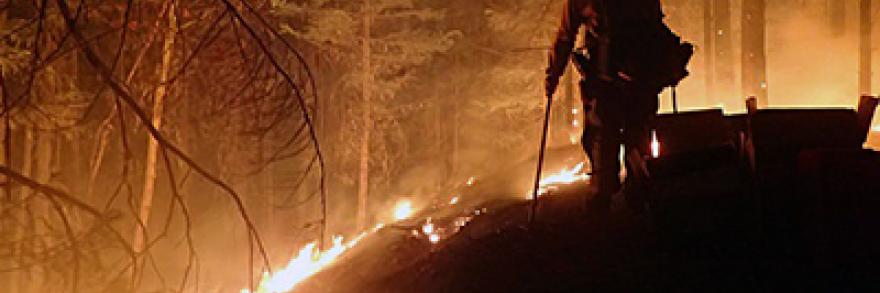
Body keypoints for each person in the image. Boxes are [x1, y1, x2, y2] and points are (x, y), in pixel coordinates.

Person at [545, 0, 691, 212]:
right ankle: (637, 199)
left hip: (609, 82)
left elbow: (565, 37)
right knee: (636, 137)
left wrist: (553, 75)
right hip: (639, 80)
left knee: (603, 138)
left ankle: (603, 202)